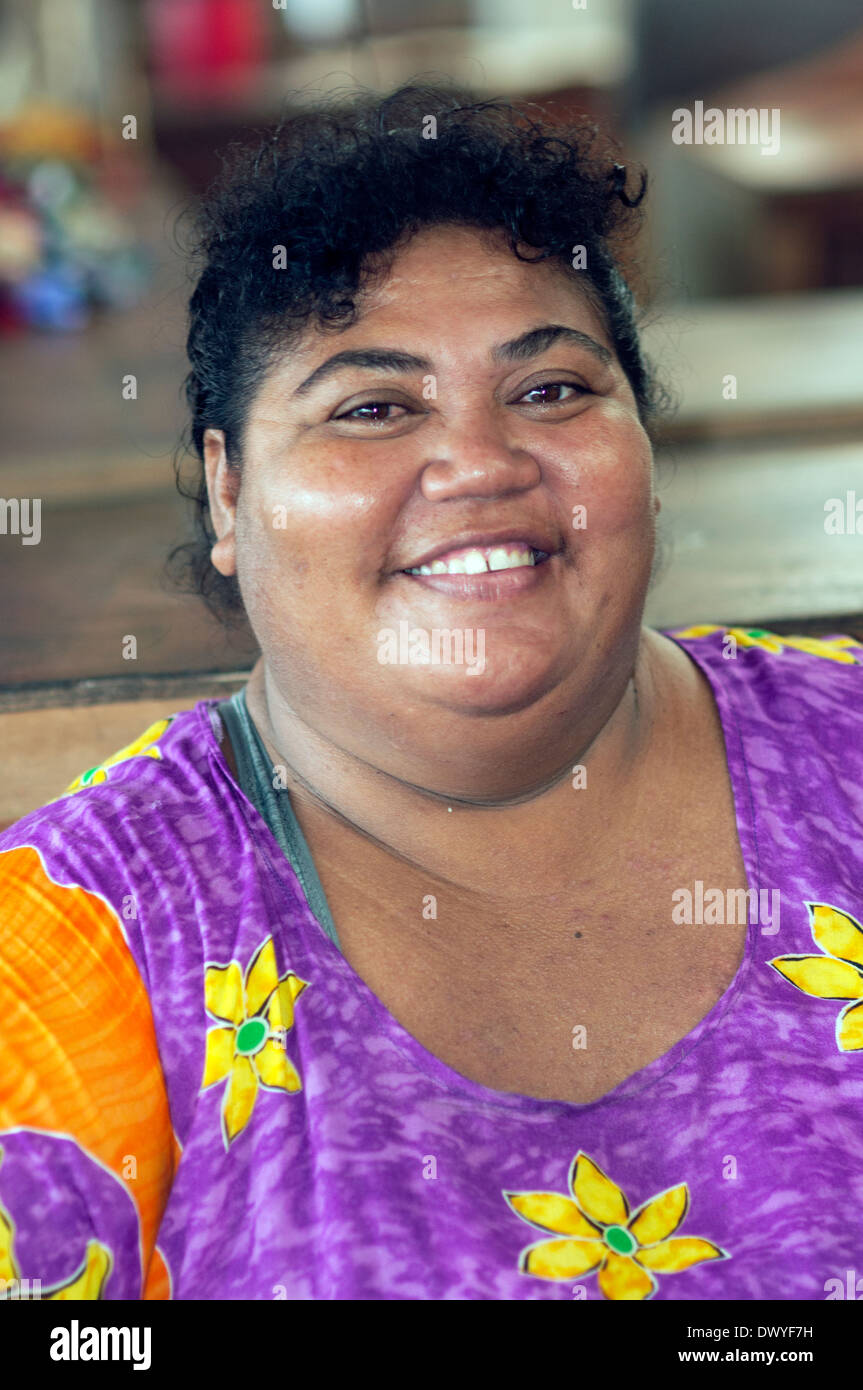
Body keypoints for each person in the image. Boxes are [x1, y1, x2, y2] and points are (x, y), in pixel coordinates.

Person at [1, 83, 862, 1303]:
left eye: (552, 389)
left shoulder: (846, 757)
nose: (479, 464)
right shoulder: (68, 949)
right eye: (372, 407)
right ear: (230, 494)